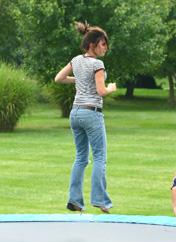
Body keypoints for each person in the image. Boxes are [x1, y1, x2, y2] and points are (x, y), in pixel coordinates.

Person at [54, 22, 117, 213]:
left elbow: (59, 78)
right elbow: (101, 91)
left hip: (75, 113)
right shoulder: (98, 64)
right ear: (93, 44)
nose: (105, 48)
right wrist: (111, 88)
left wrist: (79, 79)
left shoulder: (76, 60)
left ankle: (75, 200)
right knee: (99, 157)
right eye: (103, 44)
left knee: (81, 157)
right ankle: (100, 200)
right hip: (91, 113)